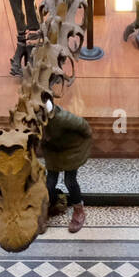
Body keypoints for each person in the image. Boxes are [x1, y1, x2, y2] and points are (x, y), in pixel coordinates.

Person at [42, 95, 92, 233]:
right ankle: (51, 205)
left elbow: (84, 127)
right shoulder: (36, 119)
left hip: (71, 151)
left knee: (69, 181)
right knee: (49, 183)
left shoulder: (62, 118)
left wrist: (78, 146)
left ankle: (79, 209)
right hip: (53, 151)